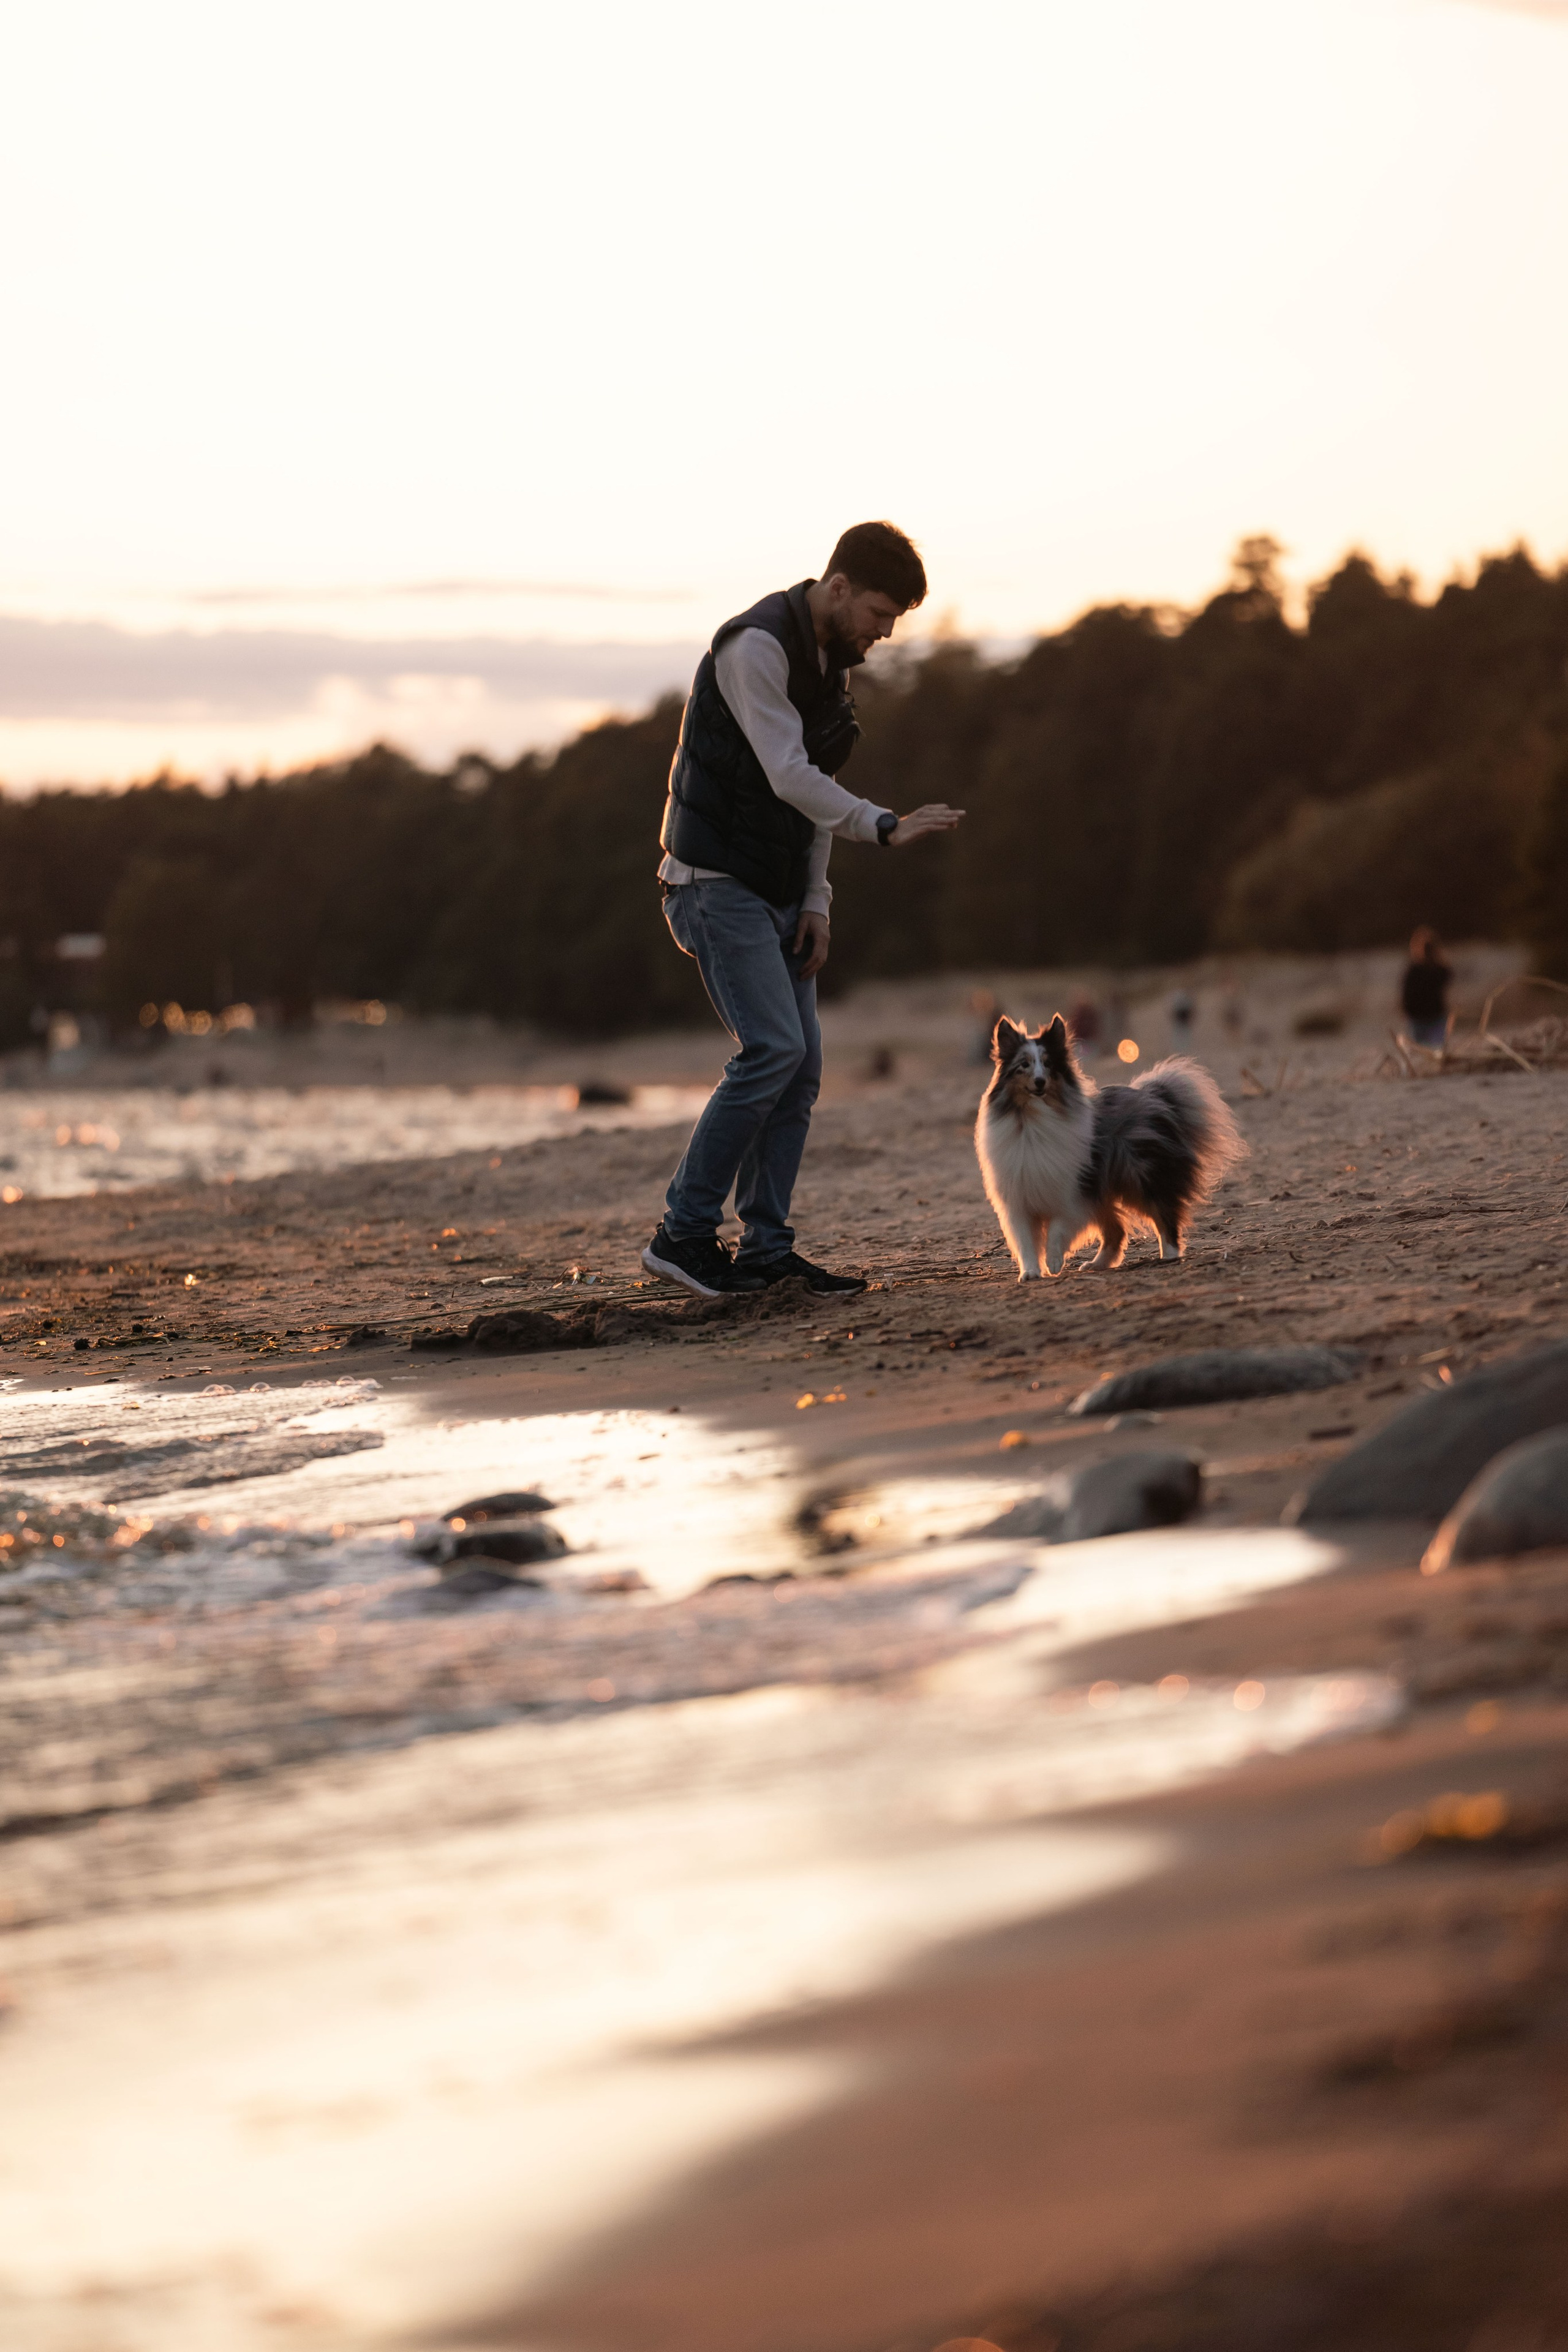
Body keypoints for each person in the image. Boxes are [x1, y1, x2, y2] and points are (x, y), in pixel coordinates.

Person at [644, 521, 964, 1298]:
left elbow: (807, 800)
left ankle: (764, 1248)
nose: (883, 634)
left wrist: (816, 899)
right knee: (772, 1051)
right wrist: (883, 826)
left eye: (894, 623)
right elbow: (788, 774)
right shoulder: (755, 648)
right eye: (879, 614)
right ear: (839, 586)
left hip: (778, 893)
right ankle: (681, 1236)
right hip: (711, 883)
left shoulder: (831, 667)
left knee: (800, 1069)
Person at [1401, 927, 1452, 1050]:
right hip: (1423, 1018)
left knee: (1429, 1051)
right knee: (1430, 1051)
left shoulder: (1431, 970)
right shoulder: (1417, 971)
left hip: (1430, 1018)